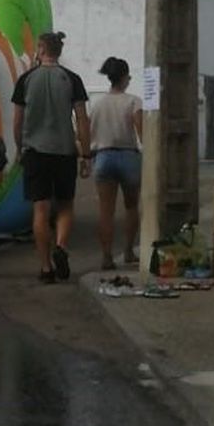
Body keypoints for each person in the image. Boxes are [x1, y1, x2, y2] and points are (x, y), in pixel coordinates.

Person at [12, 29, 92, 283]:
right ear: (59, 51)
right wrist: (86, 154)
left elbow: (17, 120)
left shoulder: (26, 79)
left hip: (35, 152)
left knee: (40, 210)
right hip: (64, 151)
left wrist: (20, 146)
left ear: (41, 49)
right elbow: (82, 118)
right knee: (65, 205)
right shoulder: (72, 79)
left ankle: (45, 268)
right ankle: (61, 246)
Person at [90, 55, 144, 270]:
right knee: (131, 207)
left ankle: (106, 257)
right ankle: (129, 251)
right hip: (128, 156)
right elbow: (141, 130)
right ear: (124, 78)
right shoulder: (133, 101)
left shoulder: (98, 104)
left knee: (106, 210)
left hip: (103, 156)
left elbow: (91, 130)